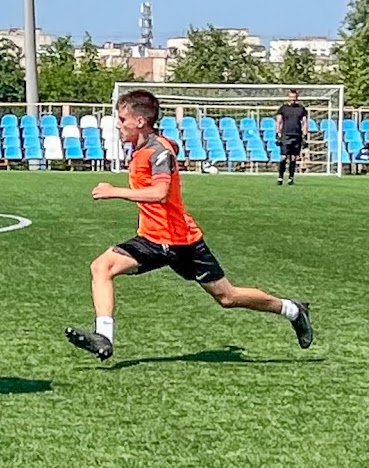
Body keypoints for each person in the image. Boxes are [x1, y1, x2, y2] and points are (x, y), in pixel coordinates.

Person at [65, 89, 313, 361]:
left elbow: (160, 193)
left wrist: (115, 191)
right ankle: (104, 337)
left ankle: (293, 310)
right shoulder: (147, 146)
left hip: (183, 241)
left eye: (122, 119)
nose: (118, 124)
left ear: (140, 121)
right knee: (101, 266)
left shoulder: (158, 151)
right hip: (151, 239)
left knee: (227, 297)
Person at [275, 89, 308, 186]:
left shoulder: (301, 109)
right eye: (291, 98)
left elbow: (305, 122)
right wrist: (277, 133)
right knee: (283, 157)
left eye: (294, 98)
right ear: (288, 98)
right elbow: (279, 121)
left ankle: (291, 178)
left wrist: (305, 136)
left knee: (293, 158)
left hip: (297, 135)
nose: (293, 100)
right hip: (286, 135)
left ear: (297, 98)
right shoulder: (283, 108)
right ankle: (280, 177)